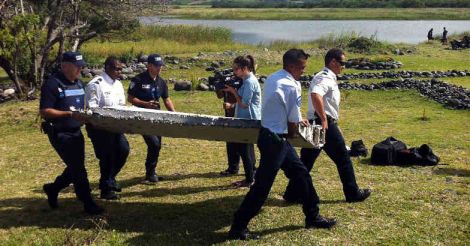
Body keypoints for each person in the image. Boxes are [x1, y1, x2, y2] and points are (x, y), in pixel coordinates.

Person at [228, 49, 336, 241]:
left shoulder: (273, 77)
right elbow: (292, 125)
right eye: (302, 68)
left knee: (301, 173)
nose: (304, 71)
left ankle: (312, 215)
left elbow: (282, 108)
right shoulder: (291, 85)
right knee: (262, 186)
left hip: (269, 135)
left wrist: (294, 119)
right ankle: (238, 226)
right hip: (275, 140)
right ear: (292, 66)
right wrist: (295, 131)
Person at [283, 48, 371, 204]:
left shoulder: (327, 77)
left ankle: (292, 193)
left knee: (306, 161)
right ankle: (353, 193)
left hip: (319, 122)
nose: (344, 66)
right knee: (343, 159)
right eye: (342, 63)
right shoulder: (325, 78)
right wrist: (324, 119)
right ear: (333, 62)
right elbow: (316, 94)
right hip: (323, 123)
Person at [40, 51, 103, 215]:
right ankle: (87, 202)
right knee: (79, 169)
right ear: (64, 66)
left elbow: (82, 106)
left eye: (81, 66)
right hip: (60, 133)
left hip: (76, 132)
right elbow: (45, 111)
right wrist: (68, 114)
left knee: (75, 167)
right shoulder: (52, 84)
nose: (80, 70)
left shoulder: (80, 84)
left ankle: (53, 188)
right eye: (77, 66)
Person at [85, 56, 130, 200]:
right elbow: (92, 109)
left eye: (121, 69)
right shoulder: (96, 84)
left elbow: (121, 105)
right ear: (108, 68)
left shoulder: (118, 84)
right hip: (99, 127)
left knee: (123, 150)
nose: (120, 72)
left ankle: (109, 179)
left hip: (116, 126)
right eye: (117, 69)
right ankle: (106, 189)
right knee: (107, 156)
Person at [128, 54, 175, 182]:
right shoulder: (138, 80)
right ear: (149, 66)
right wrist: (145, 104)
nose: (159, 68)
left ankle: (151, 172)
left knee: (157, 144)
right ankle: (150, 173)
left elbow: (166, 99)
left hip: (157, 117)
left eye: (161, 66)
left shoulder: (161, 81)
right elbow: (130, 98)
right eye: (156, 66)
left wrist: (174, 114)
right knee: (153, 143)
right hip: (142, 118)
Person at [222, 55, 261, 188]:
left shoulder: (250, 82)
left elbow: (245, 104)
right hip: (245, 118)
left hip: (249, 119)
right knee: (245, 149)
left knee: (244, 149)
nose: (234, 71)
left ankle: (250, 179)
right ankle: (251, 176)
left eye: (236, 69)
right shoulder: (246, 80)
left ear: (244, 68)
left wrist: (233, 92)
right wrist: (233, 105)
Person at [215, 80, 241, 176]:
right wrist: (219, 88)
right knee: (230, 141)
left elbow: (245, 101)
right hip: (229, 115)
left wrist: (232, 104)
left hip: (240, 115)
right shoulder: (227, 82)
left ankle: (251, 168)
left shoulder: (242, 82)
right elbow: (219, 96)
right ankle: (233, 167)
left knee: (245, 143)